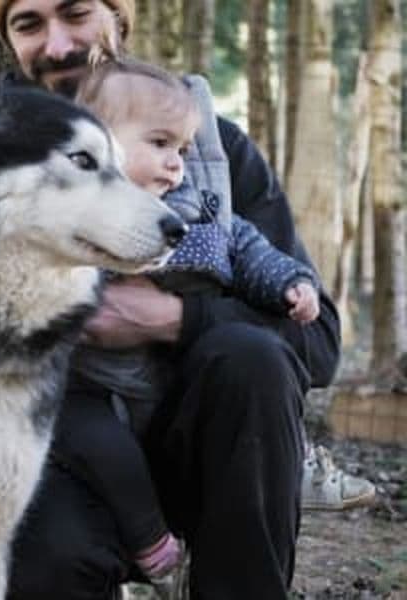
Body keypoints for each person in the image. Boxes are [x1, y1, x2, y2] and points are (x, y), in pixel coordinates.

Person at [0, 1, 371, 598]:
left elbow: (317, 345)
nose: (57, 45)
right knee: (47, 547)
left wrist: (175, 319)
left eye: (76, 13)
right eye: (28, 23)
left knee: (251, 357)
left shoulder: (208, 154)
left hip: (206, 450)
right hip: (58, 450)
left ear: (121, 18)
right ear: (7, 40)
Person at [58, 54, 323, 595]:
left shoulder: (197, 210)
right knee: (92, 438)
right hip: (90, 396)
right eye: (159, 144)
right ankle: (153, 549)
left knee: (252, 356)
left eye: (181, 150)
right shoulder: (71, 209)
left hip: (182, 407)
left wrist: (291, 282)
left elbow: (249, 249)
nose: (176, 163)